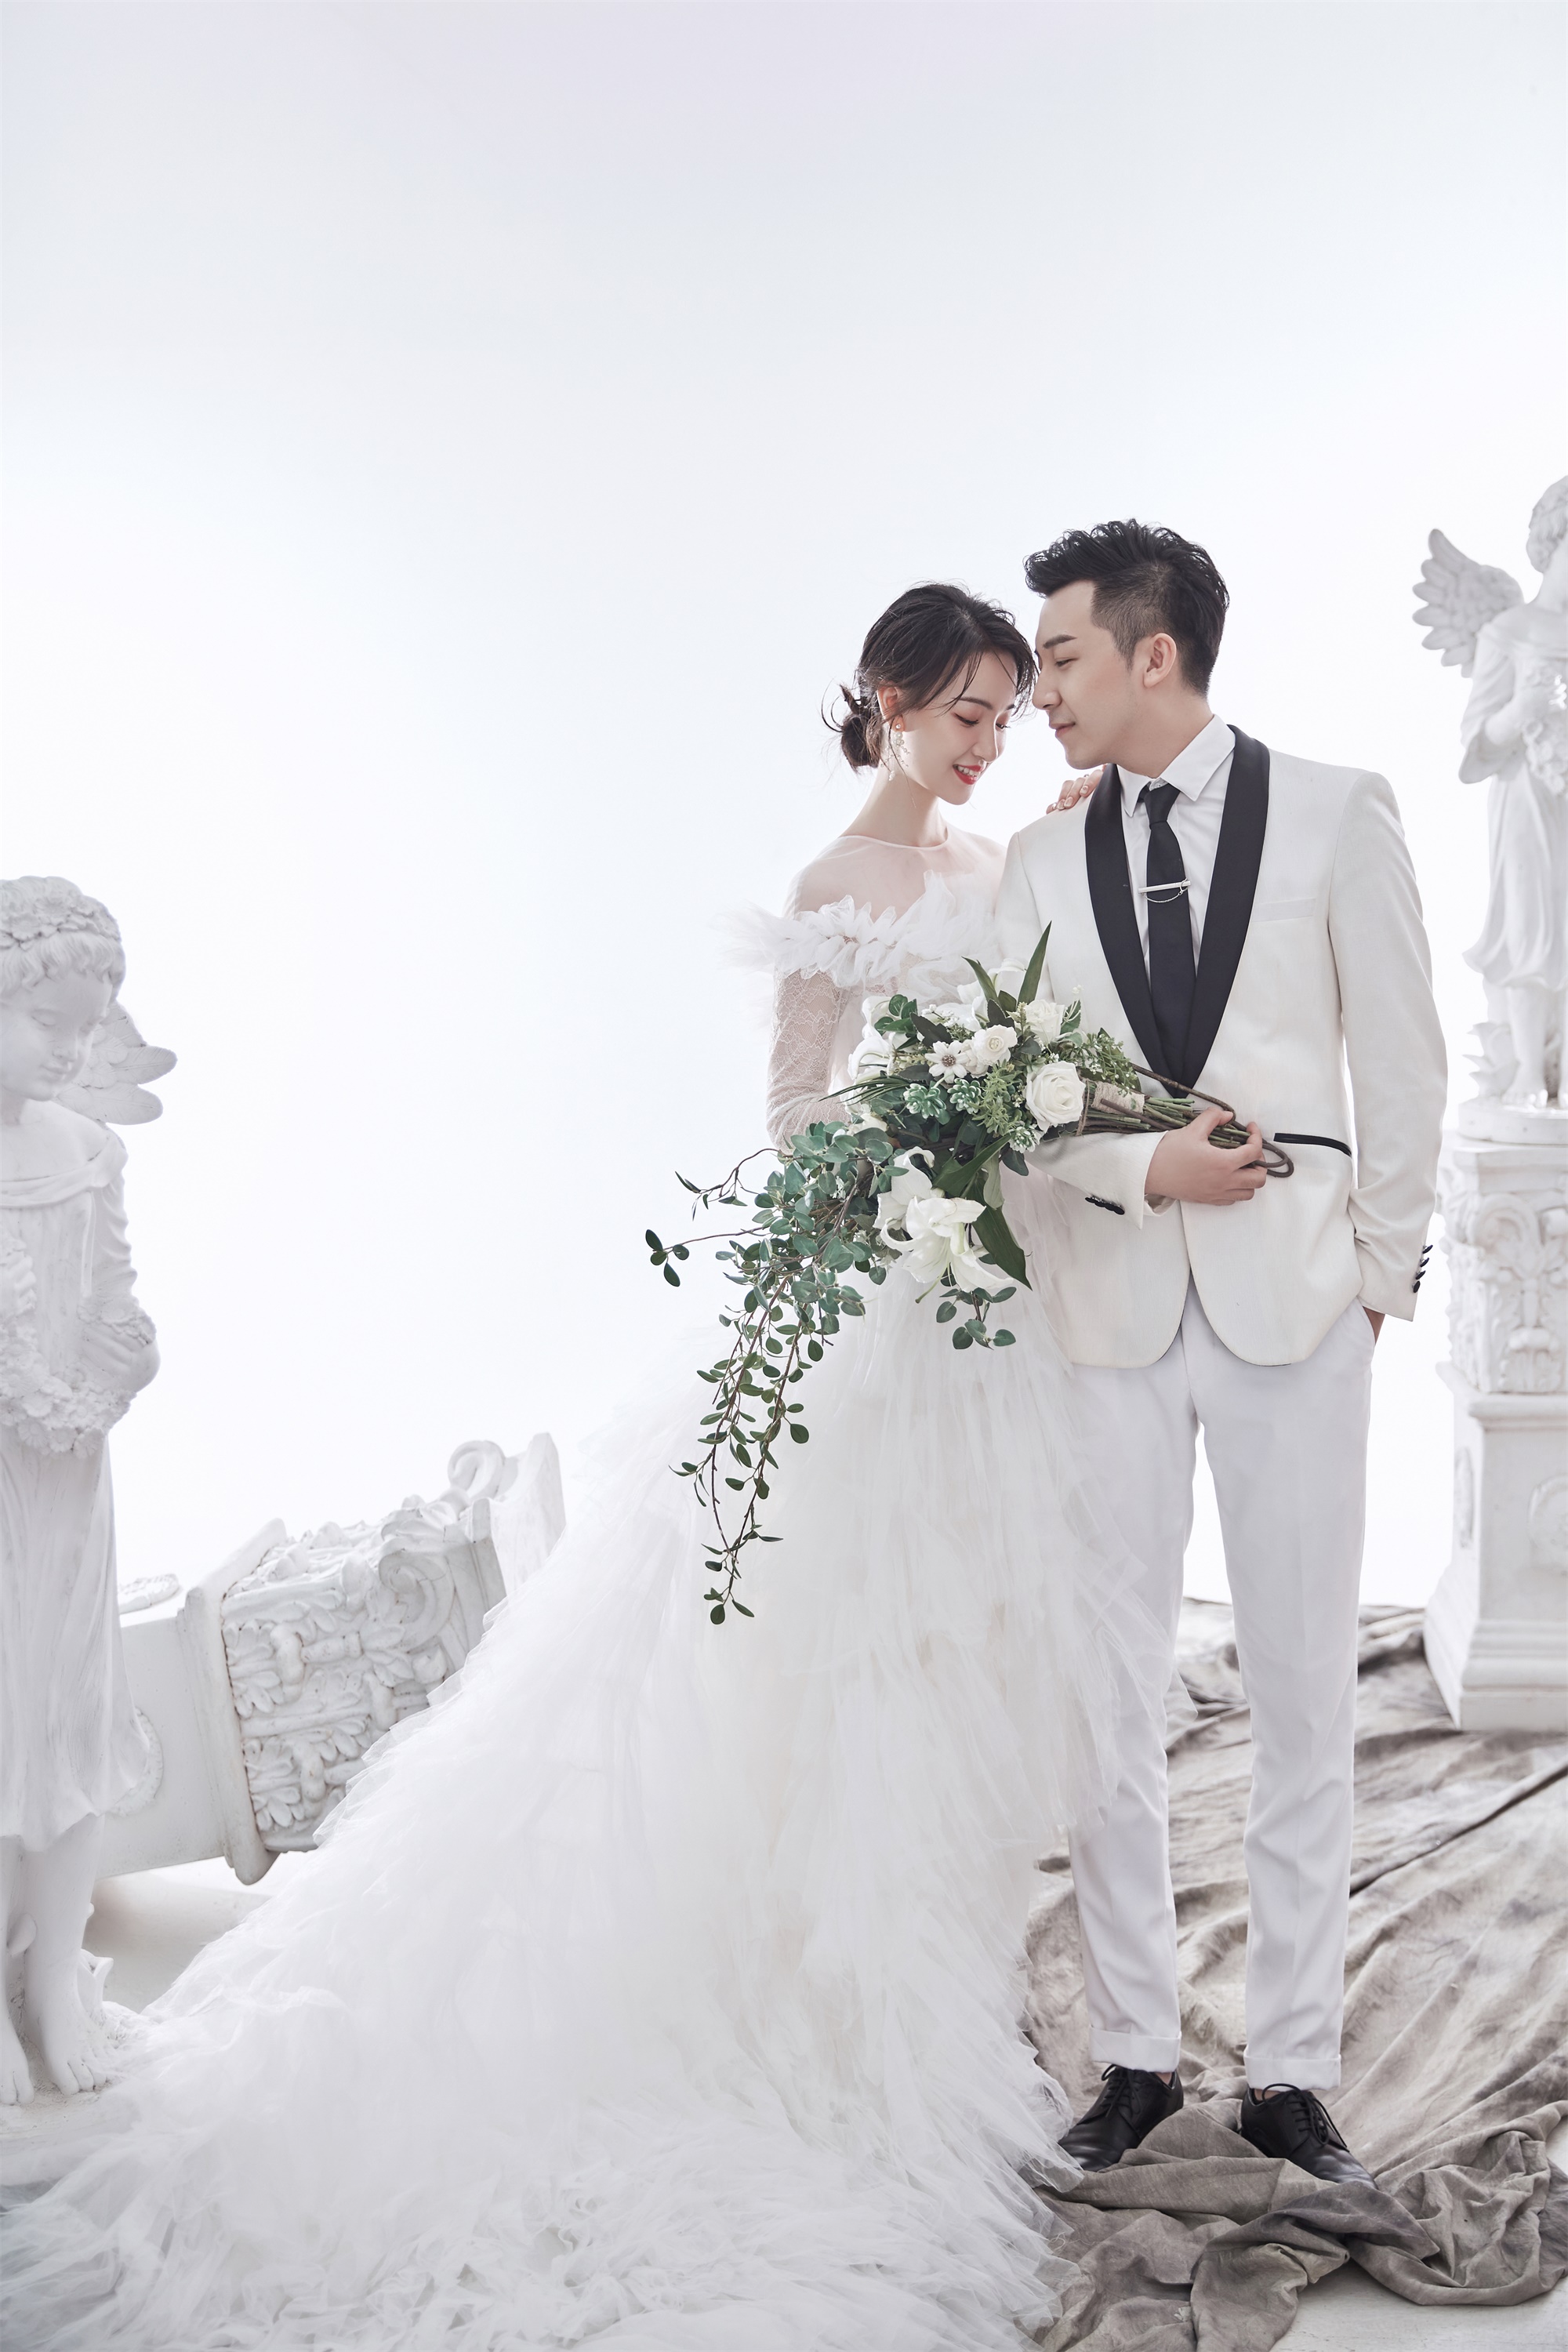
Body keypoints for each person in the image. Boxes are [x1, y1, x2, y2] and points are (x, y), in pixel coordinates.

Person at [2, 585, 1163, 2352]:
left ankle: (938, 1975)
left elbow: (1055, 997)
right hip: (890, 1302)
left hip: (996, 1310)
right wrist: (921, 1146)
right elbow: (794, 1112)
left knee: (971, 1664)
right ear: (885, 699)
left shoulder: (998, 858)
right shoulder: (835, 886)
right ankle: (847, 2013)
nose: (988, 743)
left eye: (1008, 713)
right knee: (852, 1668)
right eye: (964, 713)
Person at [996, 521, 1447, 2183]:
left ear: (1153, 654)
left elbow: (1403, 1055)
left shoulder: (1338, 808)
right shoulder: (1036, 865)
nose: (1040, 692)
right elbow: (1007, 1105)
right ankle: (1134, 2057)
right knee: (1107, 1696)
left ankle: (1292, 2071)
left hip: (1298, 1311)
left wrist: (1379, 1280)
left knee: (1304, 1691)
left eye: (1059, 658)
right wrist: (1143, 1172)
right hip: (1105, 1320)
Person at [1, 880, 161, 2109]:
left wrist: (123, 1363)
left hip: (71, 1483)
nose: (71, 1048)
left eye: (89, 1026)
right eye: (47, 1021)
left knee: (66, 1723)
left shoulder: (88, 1151)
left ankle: (55, 1980)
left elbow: (111, 1295)